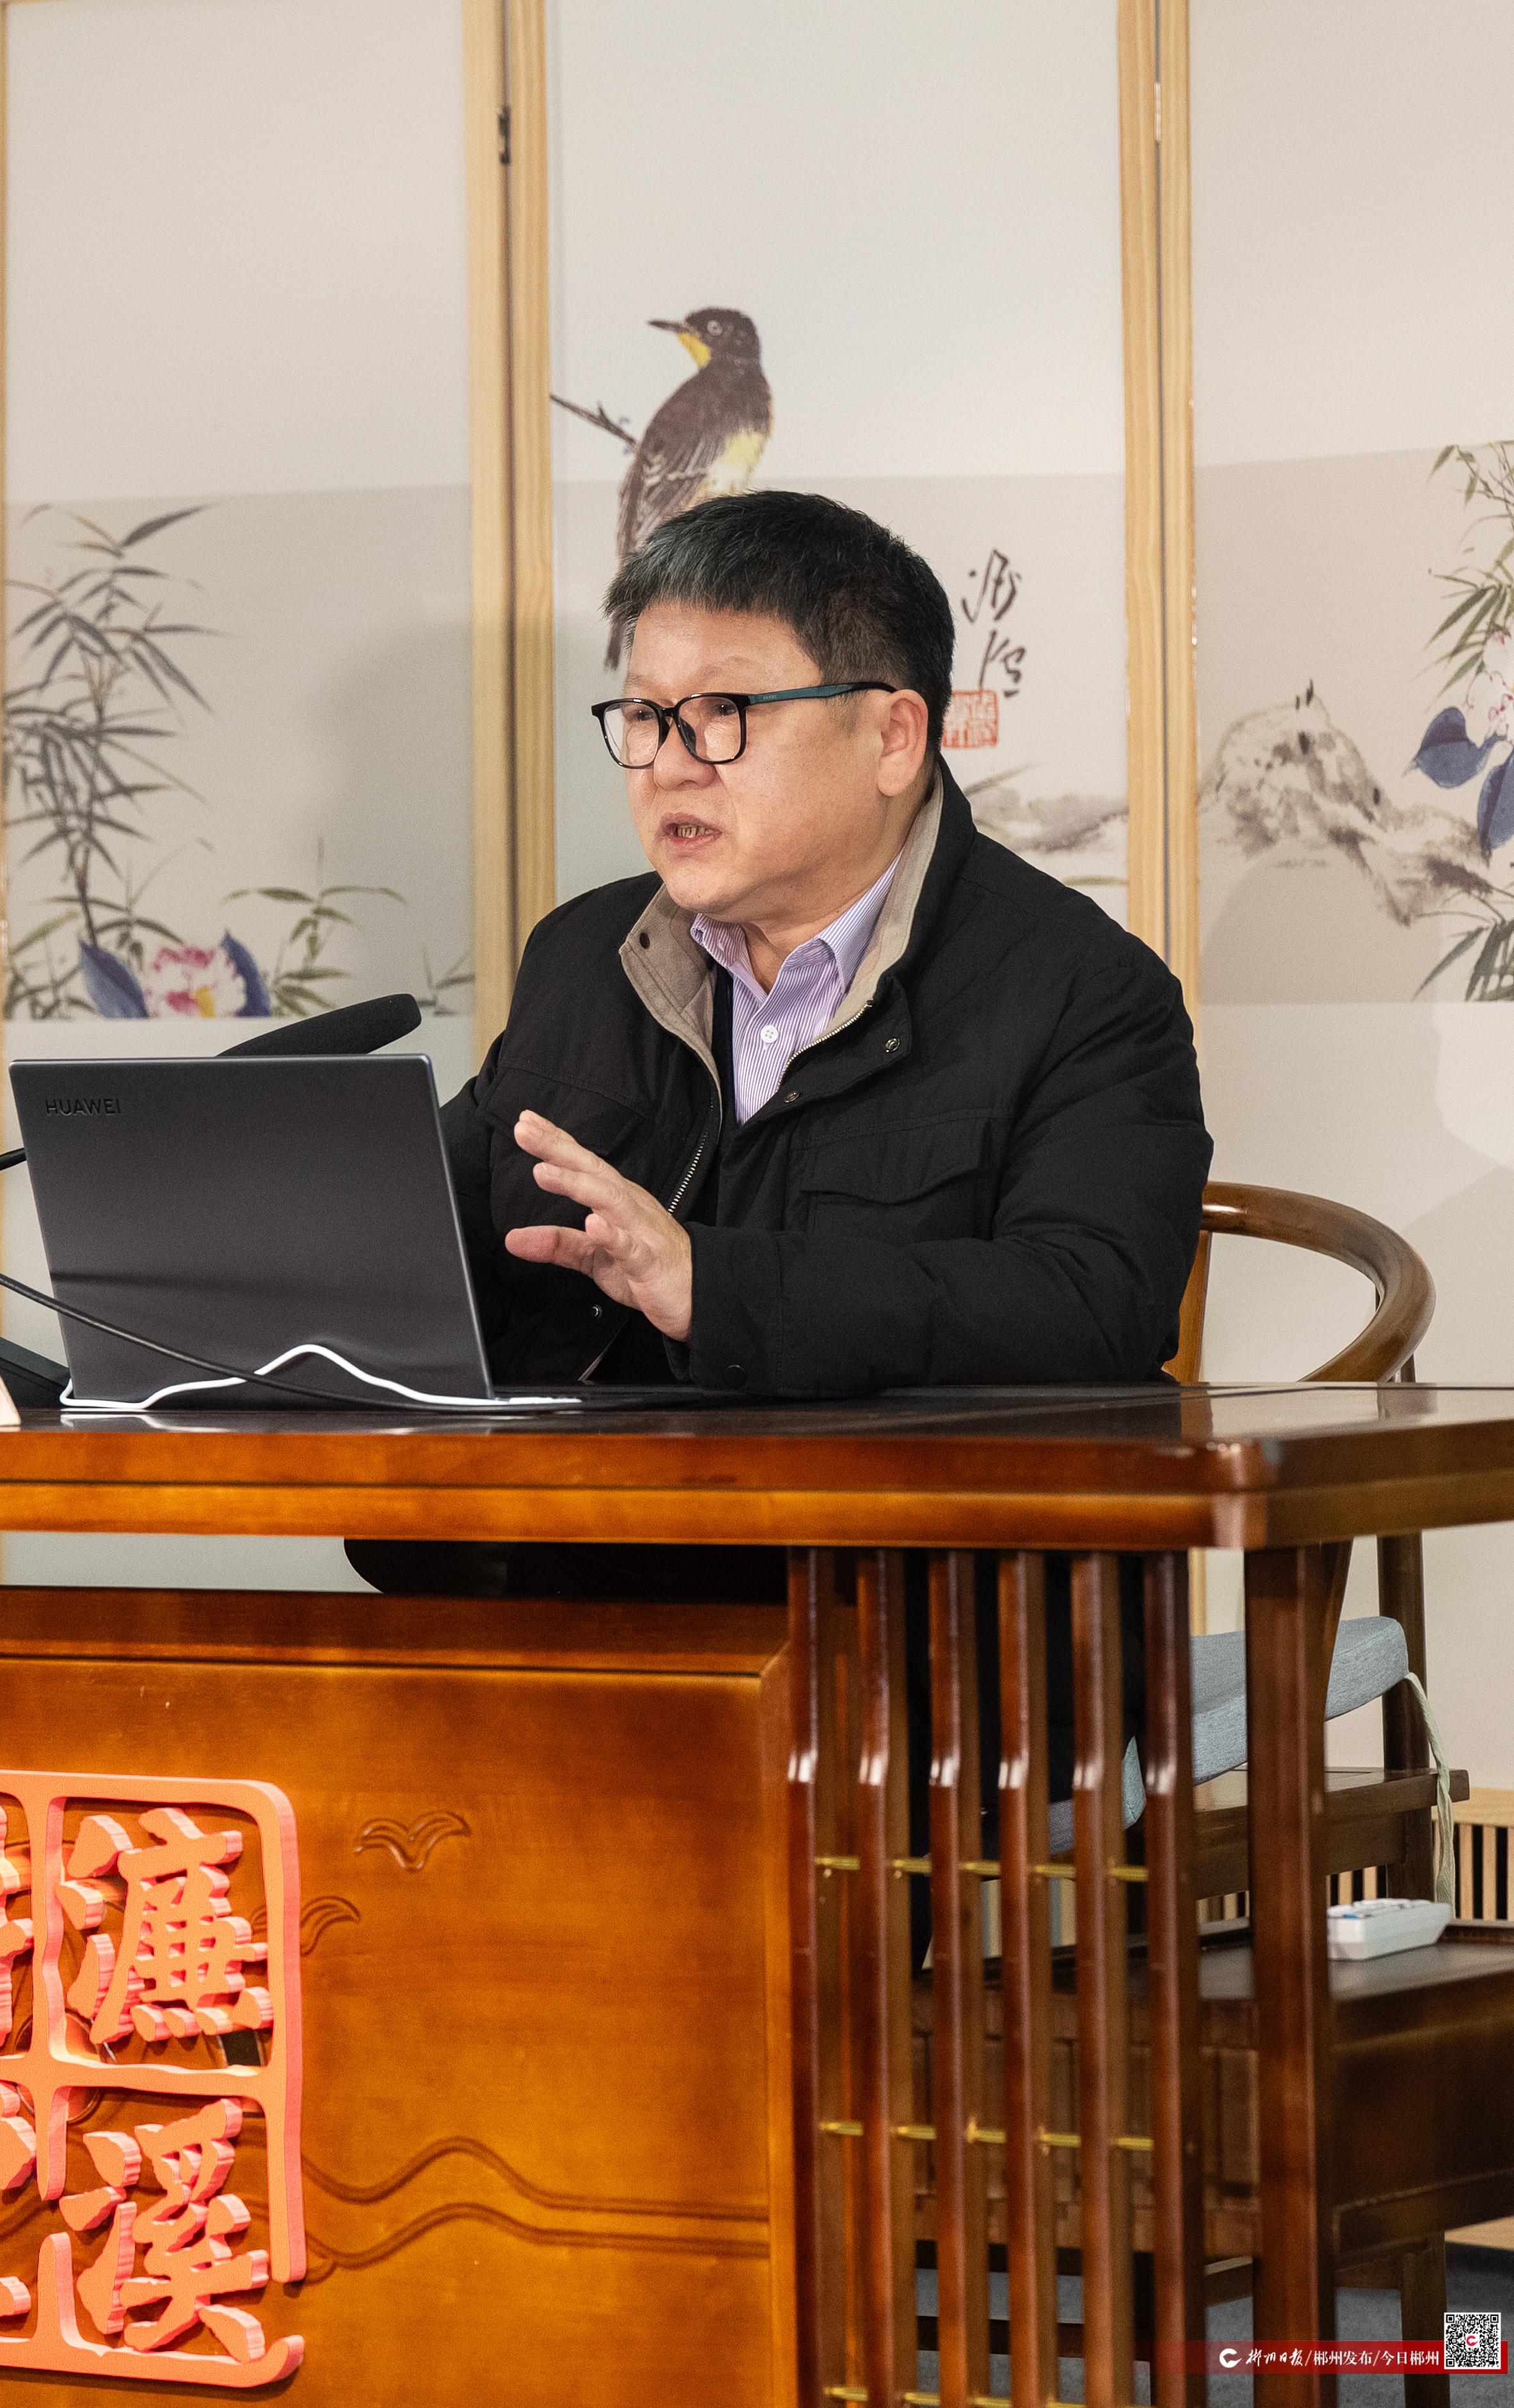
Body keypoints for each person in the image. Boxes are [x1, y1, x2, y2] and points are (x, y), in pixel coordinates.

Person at [347, 492, 1210, 1884]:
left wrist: (714, 1285)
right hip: (575, 1603)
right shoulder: (588, 960)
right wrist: (283, 1236)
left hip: (909, 1646)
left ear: (893, 736)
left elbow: (1090, 1302)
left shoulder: (1079, 992)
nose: (668, 767)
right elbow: (445, 1217)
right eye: (645, 718)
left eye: (724, 716)